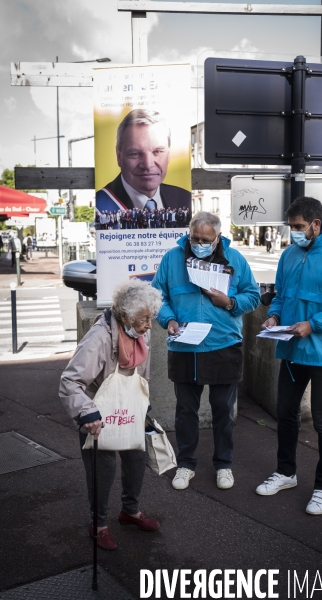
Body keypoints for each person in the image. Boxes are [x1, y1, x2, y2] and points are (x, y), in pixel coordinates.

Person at [256, 197, 322, 515]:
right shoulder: (289, 255)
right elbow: (280, 295)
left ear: (316, 225)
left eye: (299, 227)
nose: (294, 233)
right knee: (286, 413)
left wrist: (313, 324)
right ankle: (286, 473)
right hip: (292, 348)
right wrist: (274, 317)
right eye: (291, 227)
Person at [152, 211, 260, 491]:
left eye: (205, 239)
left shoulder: (235, 260)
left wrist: (229, 302)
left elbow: (253, 296)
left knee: (224, 410)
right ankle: (186, 464)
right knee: (185, 410)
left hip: (223, 344)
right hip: (184, 344)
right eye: (194, 237)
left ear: (218, 238)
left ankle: (223, 464)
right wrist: (169, 319)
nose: (198, 243)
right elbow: (157, 296)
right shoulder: (172, 258)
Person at [59, 279, 163, 550]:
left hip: (128, 406)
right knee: (102, 469)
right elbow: (70, 382)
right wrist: (87, 412)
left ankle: (129, 511)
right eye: (144, 319)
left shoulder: (140, 331)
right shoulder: (99, 338)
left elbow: (141, 372)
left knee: (137, 458)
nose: (149, 325)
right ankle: (99, 523)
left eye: (151, 318)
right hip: (97, 410)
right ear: (126, 315)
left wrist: (143, 404)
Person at [96, 109, 191, 219]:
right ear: (119, 156)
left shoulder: (184, 198)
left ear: (169, 155)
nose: (148, 164)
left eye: (158, 152)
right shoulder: (101, 203)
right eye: (135, 153)